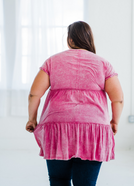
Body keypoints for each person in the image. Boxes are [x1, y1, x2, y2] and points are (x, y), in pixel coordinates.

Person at [25, 21, 124, 186]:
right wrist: (115, 121)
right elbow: (118, 98)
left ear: (70, 40)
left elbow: (34, 94)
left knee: (58, 180)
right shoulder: (103, 64)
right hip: (93, 127)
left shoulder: (52, 61)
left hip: (57, 127)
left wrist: (32, 119)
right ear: (89, 39)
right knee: (85, 183)